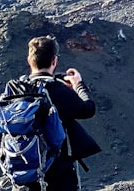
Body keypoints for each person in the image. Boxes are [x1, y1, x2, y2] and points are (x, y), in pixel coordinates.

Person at [6, 35, 101, 191]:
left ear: (29, 61)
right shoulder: (58, 90)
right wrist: (78, 85)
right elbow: (88, 109)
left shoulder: (15, 89)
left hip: (25, 172)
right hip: (58, 173)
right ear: (54, 61)